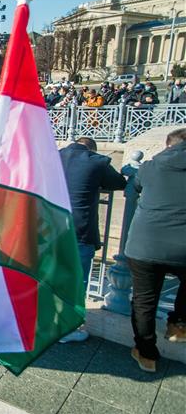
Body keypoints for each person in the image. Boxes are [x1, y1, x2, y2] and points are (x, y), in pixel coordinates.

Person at [125, 128, 186, 373]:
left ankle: (147, 354)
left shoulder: (149, 167)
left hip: (145, 244)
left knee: (144, 301)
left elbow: (136, 187)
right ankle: (178, 325)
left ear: (167, 145)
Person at [59, 137, 127, 343]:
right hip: (79, 230)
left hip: (49, 229)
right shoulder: (97, 162)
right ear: (92, 149)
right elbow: (119, 183)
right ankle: (67, 329)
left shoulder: (52, 157)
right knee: (77, 281)